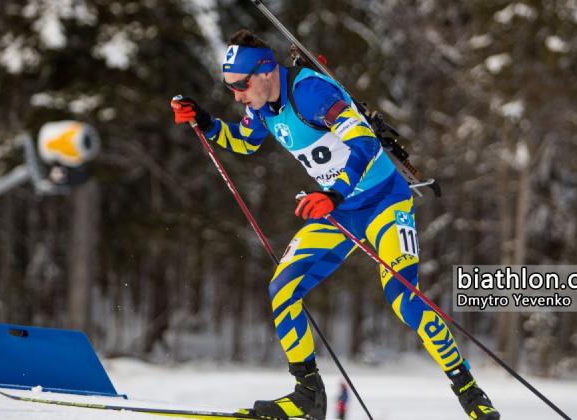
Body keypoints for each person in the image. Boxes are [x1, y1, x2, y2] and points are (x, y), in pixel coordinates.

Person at [170, 29, 500, 420]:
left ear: (264, 71)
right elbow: (245, 142)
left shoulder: (310, 93)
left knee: (404, 299)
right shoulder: (261, 107)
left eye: (240, 86)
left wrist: (335, 194)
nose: (236, 95)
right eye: (230, 88)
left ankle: (468, 391)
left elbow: (364, 143)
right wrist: (204, 121)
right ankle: (308, 394)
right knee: (282, 287)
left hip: (383, 202)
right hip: (338, 211)